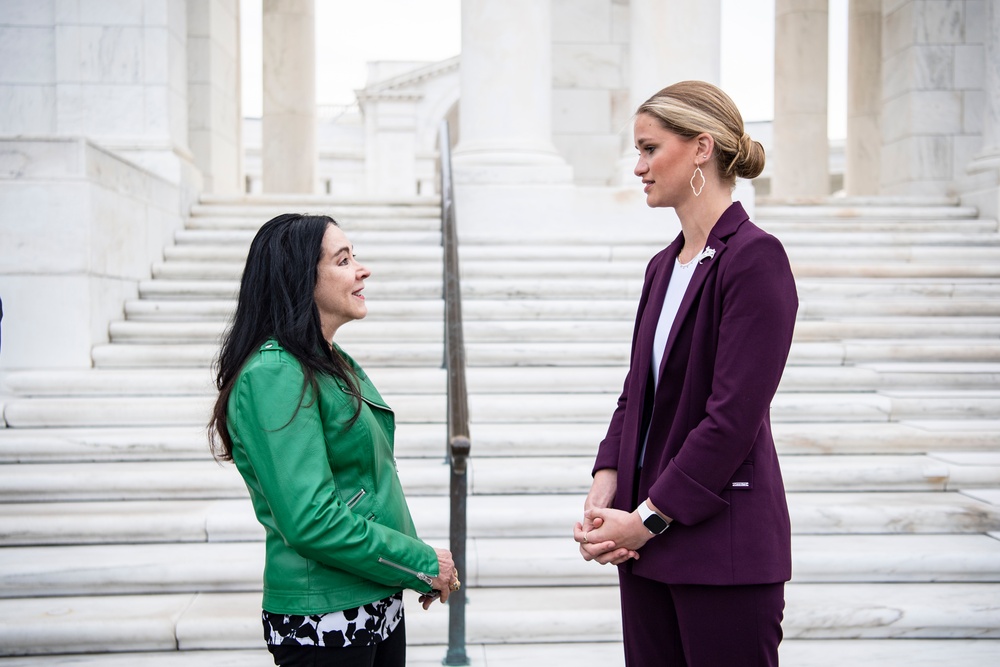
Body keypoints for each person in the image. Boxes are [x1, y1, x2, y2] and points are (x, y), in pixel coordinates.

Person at [573, 81, 798, 666]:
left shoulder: (755, 259)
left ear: (701, 148)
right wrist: (608, 479)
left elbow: (731, 421)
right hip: (646, 550)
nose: (639, 166)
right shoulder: (661, 266)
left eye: (650, 149)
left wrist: (644, 520)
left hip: (720, 550)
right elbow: (636, 395)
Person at [209, 213, 457, 667]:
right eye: (343, 261)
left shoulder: (323, 360)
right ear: (301, 278)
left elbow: (366, 486)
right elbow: (312, 520)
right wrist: (419, 560)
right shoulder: (275, 374)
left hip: (369, 606)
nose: (362, 270)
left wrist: (415, 570)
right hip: (324, 622)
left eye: (354, 257)